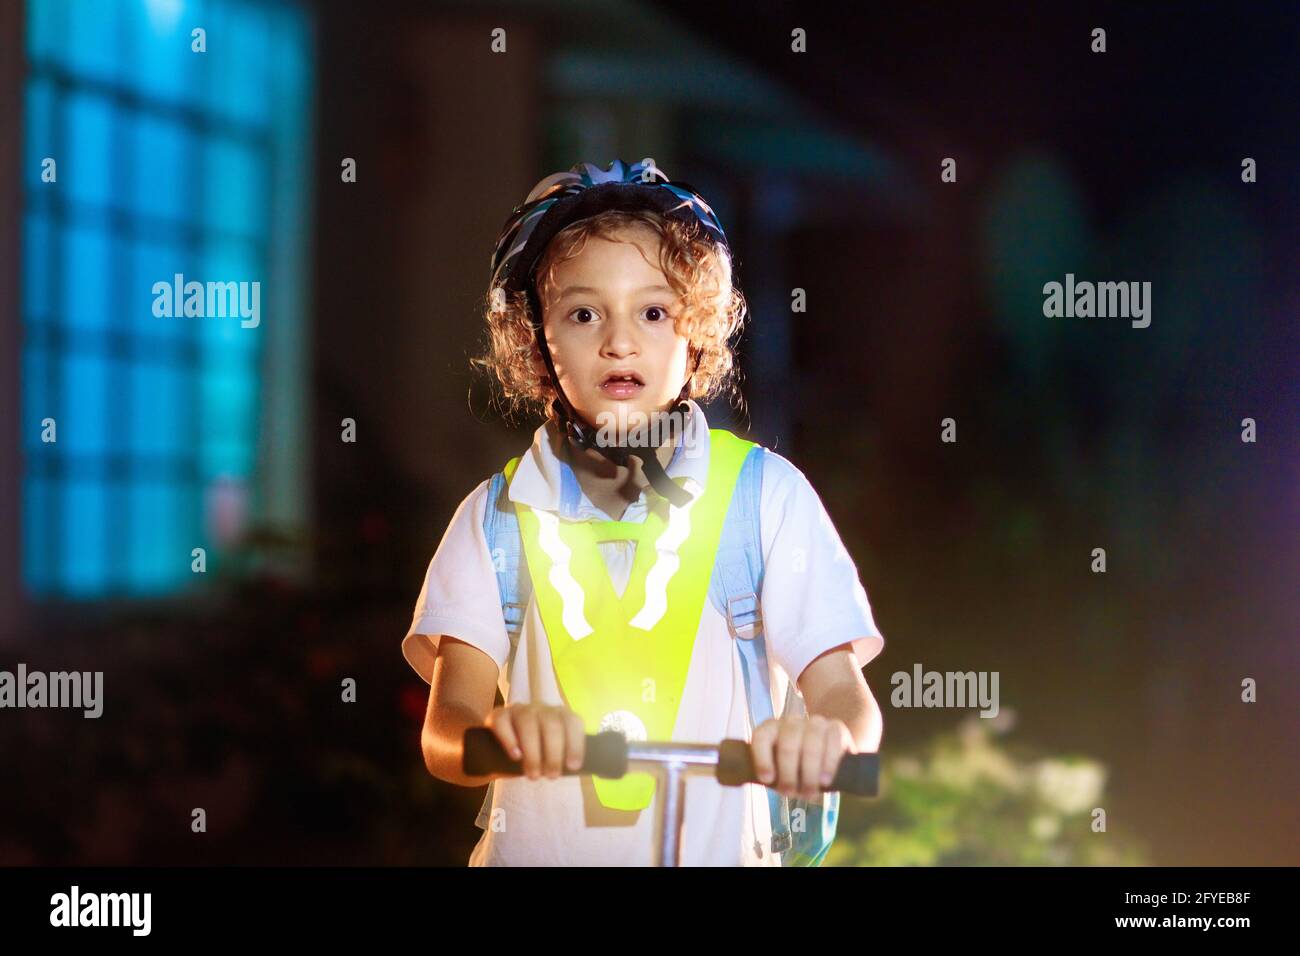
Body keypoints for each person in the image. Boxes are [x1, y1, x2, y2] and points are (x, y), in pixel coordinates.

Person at [403, 159, 885, 865]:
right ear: (537, 340)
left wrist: (828, 741)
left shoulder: (765, 499)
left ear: (697, 333)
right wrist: (497, 737)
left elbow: (845, 695)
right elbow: (446, 731)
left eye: (654, 311)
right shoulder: (495, 518)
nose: (618, 341)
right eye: (582, 312)